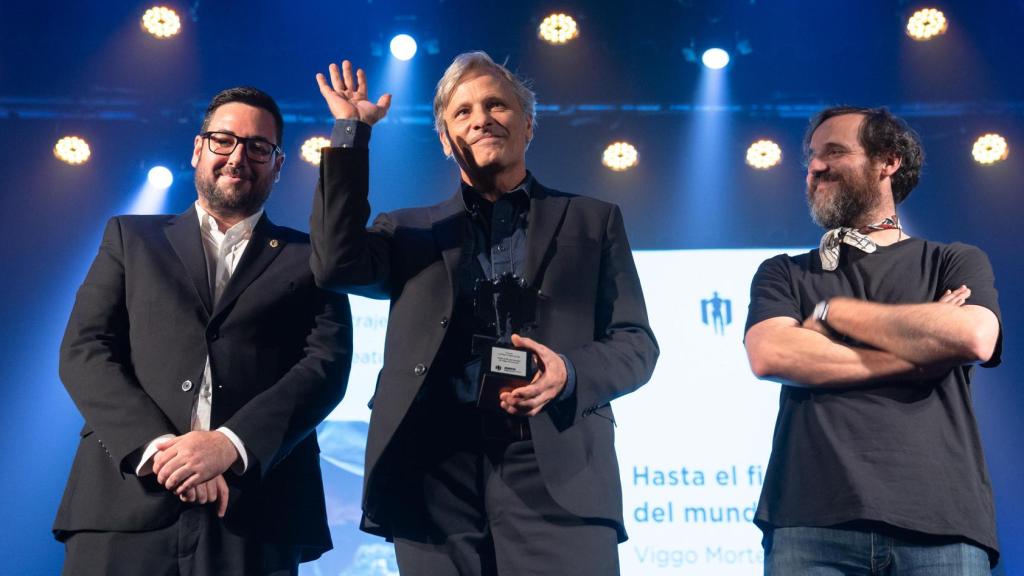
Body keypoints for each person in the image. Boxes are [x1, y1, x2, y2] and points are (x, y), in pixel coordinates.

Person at [309, 53, 659, 575]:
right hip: (432, 474)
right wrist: (350, 134)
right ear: (448, 140)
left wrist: (570, 373)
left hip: (556, 469)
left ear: (528, 123)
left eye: (496, 104)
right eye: (462, 112)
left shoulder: (593, 220)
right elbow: (336, 264)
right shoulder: (409, 231)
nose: (481, 118)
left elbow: (635, 342)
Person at [54, 86, 353, 575]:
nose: (239, 156)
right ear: (198, 149)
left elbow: (326, 366)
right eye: (224, 140)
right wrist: (159, 451)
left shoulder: (311, 258)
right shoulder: (131, 239)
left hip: (255, 512)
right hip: (124, 504)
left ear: (278, 165)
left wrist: (229, 445)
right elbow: (84, 351)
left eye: (259, 147)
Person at [744, 106, 1003, 574]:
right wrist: (916, 355)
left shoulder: (952, 261)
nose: (815, 167)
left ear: (888, 162)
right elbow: (771, 354)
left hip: (941, 521)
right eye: (812, 157)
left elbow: (973, 336)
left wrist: (832, 314)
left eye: (834, 152)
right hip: (810, 521)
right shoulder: (785, 272)